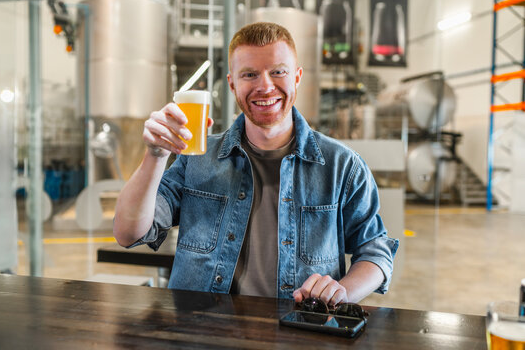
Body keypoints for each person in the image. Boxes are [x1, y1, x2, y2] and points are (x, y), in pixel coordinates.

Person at [113, 22, 398, 307]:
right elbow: (128, 233)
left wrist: (342, 291)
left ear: (297, 77)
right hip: (200, 332)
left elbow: (375, 252)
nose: (265, 86)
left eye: (278, 72)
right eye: (250, 74)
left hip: (300, 334)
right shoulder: (195, 158)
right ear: (232, 83)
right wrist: (155, 155)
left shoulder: (341, 166)